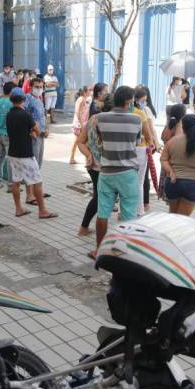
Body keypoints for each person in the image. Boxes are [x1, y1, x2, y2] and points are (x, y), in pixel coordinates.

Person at [92, 86, 141, 259]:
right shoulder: (136, 120)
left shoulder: (101, 118)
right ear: (128, 102)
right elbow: (137, 141)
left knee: (103, 213)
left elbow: (100, 137)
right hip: (128, 173)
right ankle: (124, 251)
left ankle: (99, 249)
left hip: (106, 172)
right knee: (128, 214)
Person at [5, 88, 57, 219]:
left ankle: (18, 209)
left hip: (13, 153)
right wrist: (34, 132)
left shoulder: (9, 115)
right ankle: (42, 210)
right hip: (25, 154)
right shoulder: (25, 115)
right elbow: (38, 129)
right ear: (23, 99)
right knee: (37, 181)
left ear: (11, 99)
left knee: (16, 182)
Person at [160, 114, 195, 216]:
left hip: (173, 182)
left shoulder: (172, 142)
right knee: (183, 219)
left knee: (173, 216)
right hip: (193, 184)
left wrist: (170, 171)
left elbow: (163, 159)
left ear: (183, 126)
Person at [77, 87, 111, 237]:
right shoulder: (111, 121)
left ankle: (85, 227)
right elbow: (81, 141)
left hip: (94, 166)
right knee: (100, 199)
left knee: (99, 197)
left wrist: (88, 154)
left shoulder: (93, 119)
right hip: (103, 168)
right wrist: (89, 154)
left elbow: (81, 142)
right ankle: (84, 228)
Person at [24, 78, 48, 204]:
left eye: (41, 86)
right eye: (37, 86)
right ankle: (29, 195)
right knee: (31, 165)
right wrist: (30, 130)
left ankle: (36, 191)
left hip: (41, 134)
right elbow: (25, 115)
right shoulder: (28, 98)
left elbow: (43, 116)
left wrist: (46, 128)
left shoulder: (40, 99)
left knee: (38, 164)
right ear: (31, 86)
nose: (39, 88)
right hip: (33, 135)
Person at [132, 89, 156, 216]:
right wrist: (152, 143)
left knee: (127, 180)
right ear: (135, 99)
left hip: (126, 148)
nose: (144, 102)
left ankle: (123, 209)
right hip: (141, 149)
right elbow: (148, 133)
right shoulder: (140, 113)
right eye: (143, 100)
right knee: (139, 181)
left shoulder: (126, 111)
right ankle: (140, 210)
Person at [0, 82, 14, 189]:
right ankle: (11, 184)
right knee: (10, 159)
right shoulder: (12, 103)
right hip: (9, 134)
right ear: (12, 91)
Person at [70, 86, 91, 165]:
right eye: (88, 91)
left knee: (80, 141)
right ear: (85, 92)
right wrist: (81, 124)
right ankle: (72, 158)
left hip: (81, 123)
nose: (90, 92)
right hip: (79, 124)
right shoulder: (81, 99)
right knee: (78, 141)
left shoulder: (83, 99)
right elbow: (78, 112)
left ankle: (83, 159)